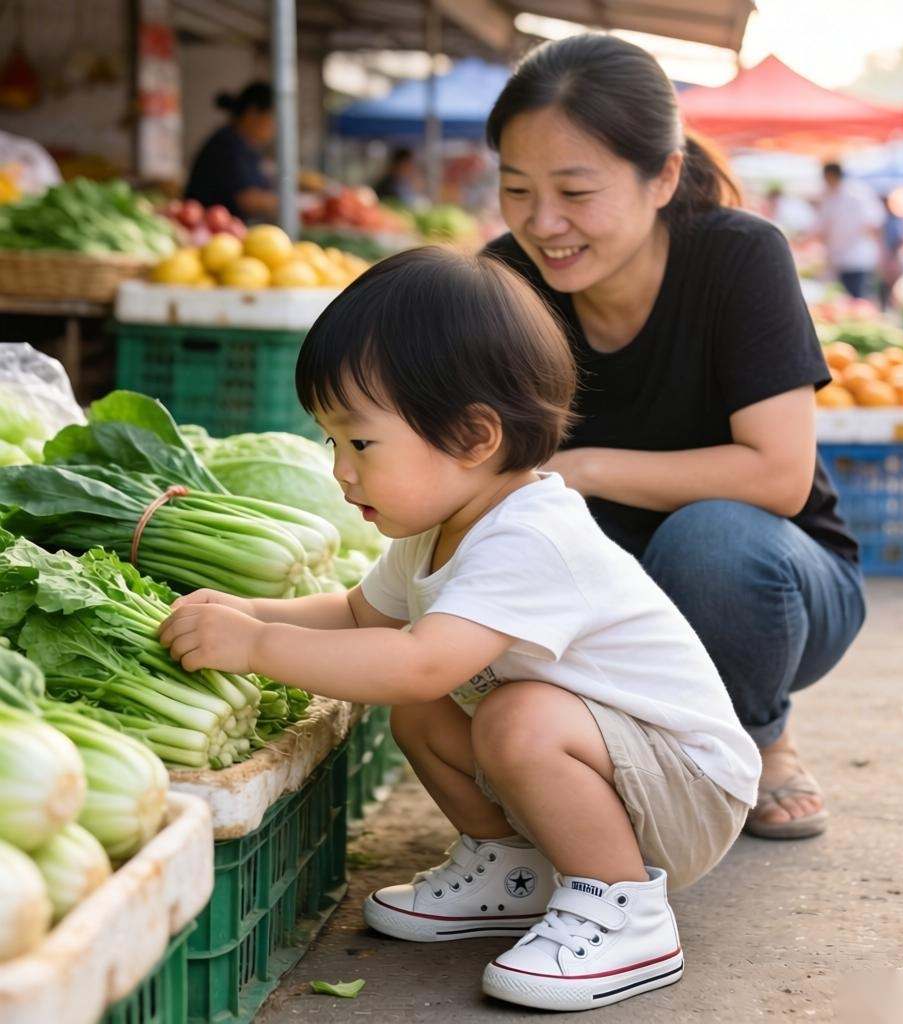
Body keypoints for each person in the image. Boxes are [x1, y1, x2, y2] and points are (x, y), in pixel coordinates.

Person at [159, 246, 760, 1012]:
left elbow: (417, 663)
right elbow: (354, 617)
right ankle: (518, 872)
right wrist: (245, 614)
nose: (340, 470)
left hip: (689, 788)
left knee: (510, 715)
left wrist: (258, 648)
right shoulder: (436, 525)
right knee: (432, 712)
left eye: (361, 442)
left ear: (475, 438)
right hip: (614, 774)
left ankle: (626, 911)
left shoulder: (530, 537)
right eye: (331, 442)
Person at [483, 34, 866, 841]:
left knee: (713, 537)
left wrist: (580, 467)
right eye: (517, 189)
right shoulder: (505, 282)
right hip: (614, 601)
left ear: (662, 175)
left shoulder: (739, 257)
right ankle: (623, 758)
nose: (543, 223)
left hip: (776, 586)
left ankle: (760, 738)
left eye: (575, 192)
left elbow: (778, 477)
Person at [184, 81, 278, 220]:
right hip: (213, 233)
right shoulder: (226, 146)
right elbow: (246, 199)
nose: (275, 127)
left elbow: (264, 175)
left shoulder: (245, 145)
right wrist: (293, 204)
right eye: (273, 118)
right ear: (253, 113)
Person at [817, 161, 885, 298]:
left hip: (857, 259)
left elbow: (875, 223)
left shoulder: (858, 193)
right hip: (837, 260)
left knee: (858, 299)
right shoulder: (828, 196)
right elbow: (821, 227)